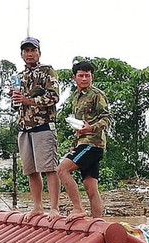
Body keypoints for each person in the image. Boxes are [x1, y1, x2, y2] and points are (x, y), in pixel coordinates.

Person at [11, 37, 61, 221]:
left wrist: (29, 100)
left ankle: (54, 208)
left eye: (33, 50)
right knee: (31, 170)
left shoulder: (47, 71)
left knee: (49, 168)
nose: (29, 54)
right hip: (24, 127)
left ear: (39, 52)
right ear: (21, 54)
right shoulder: (18, 76)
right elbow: (15, 105)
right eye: (26, 51)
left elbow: (54, 97)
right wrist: (15, 99)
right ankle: (37, 207)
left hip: (43, 125)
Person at [57, 60, 112, 222]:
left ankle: (78, 208)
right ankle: (98, 223)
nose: (84, 79)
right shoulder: (75, 97)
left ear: (91, 77)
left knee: (62, 170)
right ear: (74, 77)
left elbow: (107, 118)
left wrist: (91, 128)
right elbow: (80, 124)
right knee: (90, 187)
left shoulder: (97, 95)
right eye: (81, 75)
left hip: (92, 144)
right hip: (82, 142)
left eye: (87, 75)